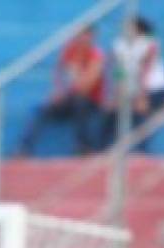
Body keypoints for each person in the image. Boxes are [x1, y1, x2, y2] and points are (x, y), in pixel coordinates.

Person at [17, 25, 105, 157]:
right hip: (69, 99)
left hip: (91, 102)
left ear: (91, 37)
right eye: (78, 36)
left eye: (84, 36)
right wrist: (57, 92)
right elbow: (59, 78)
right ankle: (24, 149)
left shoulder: (96, 56)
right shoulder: (69, 52)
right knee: (40, 110)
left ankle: (84, 147)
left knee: (80, 102)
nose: (80, 39)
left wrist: (75, 72)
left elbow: (84, 88)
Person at [100, 16, 164, 152]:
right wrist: (115, 96)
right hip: (133, 90)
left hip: (155, 89)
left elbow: (145, 71)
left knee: (137, 110)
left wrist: (142, 97)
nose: (125, 30)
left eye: (129, 27)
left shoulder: (149, 43)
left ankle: (141, 151)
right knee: (111, 111)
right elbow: (118, 71)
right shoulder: (120, 45)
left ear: (138, 29)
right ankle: (102, 149)